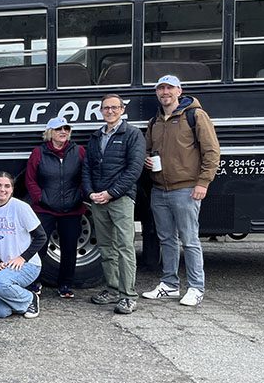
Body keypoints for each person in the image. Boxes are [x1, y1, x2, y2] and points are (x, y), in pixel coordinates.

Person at [142, 75, 221, 307]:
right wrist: (147, 160)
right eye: (161, 88)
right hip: (159, 189)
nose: (165, 92)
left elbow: (212, 151)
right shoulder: (155, 121)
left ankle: (196, 287)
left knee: (189, 240)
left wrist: (203, 183)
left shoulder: (195, 115)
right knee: (166, 239)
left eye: (169, 88)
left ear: (179, 90)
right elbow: (148, 149)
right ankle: (169, 285)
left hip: (186, 188)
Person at [82, 93, 146, 315]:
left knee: (125, 247)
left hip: (121, 199)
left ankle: (128, 295)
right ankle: (112, 289)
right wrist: (91, 193)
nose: (110, 111)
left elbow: (134, 169)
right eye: (106, 108)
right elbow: (87, 167)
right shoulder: (96, 136)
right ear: (101, 111)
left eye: (114, 107)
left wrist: (112, 192)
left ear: (122, 109)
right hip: (98, 200)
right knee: (106, 247)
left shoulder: (132, 134)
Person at [24, 116, 87, 298]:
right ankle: (35, 282)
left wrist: (79, 195)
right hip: (45, 209)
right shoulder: (38, 153)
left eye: (66, 129)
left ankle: (65, 285)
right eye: (59, 129)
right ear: (49, 133)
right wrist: (40, 198)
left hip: (72, 209)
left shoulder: (79, 151)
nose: (63, 132)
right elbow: (30, 180)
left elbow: (86, 176)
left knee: (69, 247)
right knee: (39, 246)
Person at [0, 172, 48, 319]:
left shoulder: (21, 207)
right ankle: (14, 295)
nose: (2, 189)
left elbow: (41, 237)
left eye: (7, 186)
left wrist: (22, 258)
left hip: (25, 265)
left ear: (12, 189)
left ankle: (29, 298)